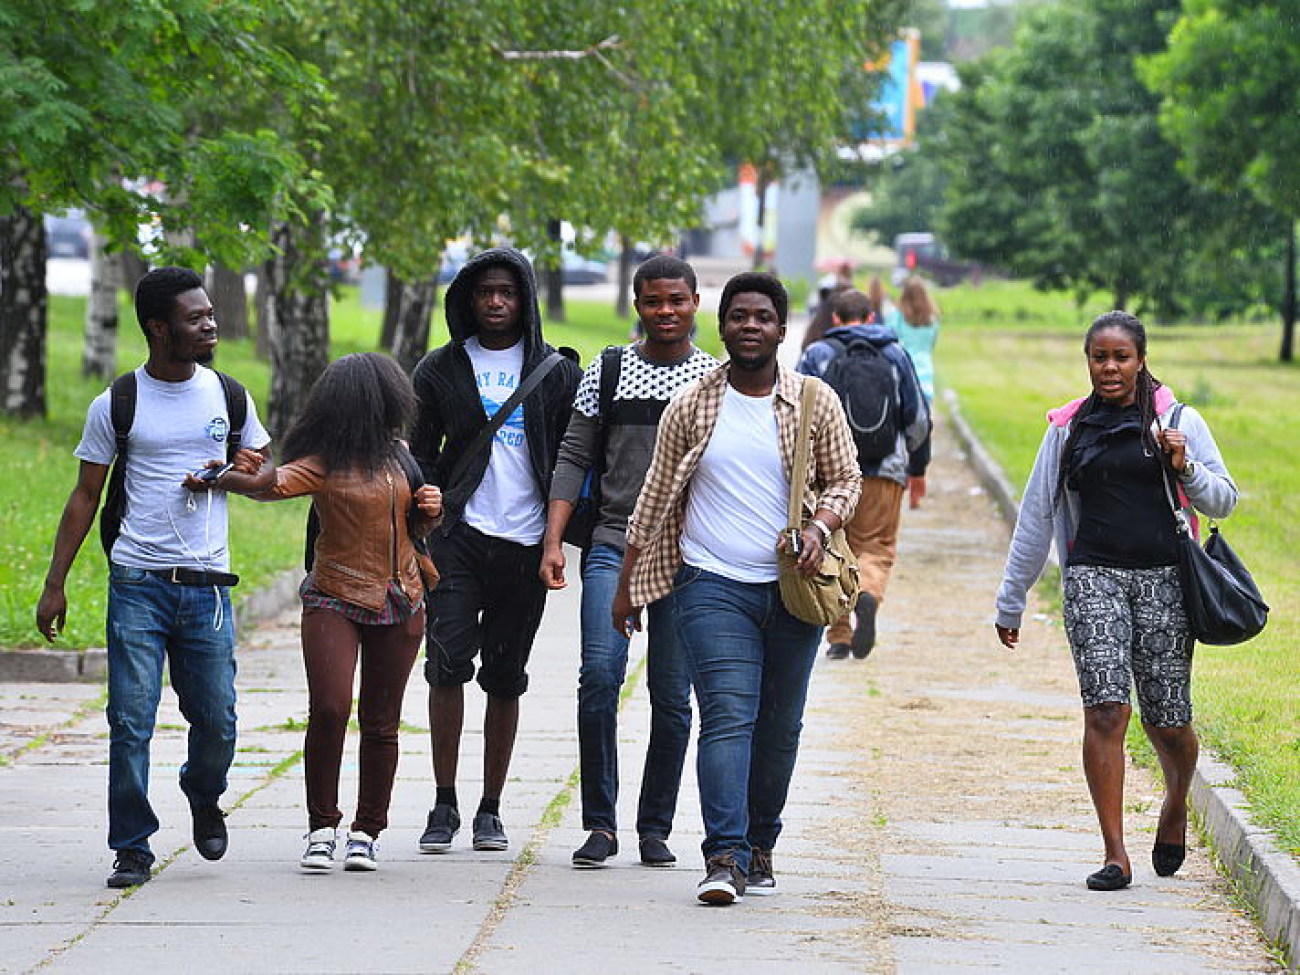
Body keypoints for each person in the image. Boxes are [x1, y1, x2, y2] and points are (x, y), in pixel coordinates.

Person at [612, 272, 860, 905]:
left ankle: (760, 844)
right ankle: (723, 855)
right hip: (709, 583)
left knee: (780, 726)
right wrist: (627, 583)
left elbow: (847, 481)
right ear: (720, 326)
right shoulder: (693, 405)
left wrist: (819, 526)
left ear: (781, 329)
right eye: (738, 316)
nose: (750, 326)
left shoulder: (814, 401)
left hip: (794, 589)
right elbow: (655, 496)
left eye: (763, 317)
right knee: (727, 716)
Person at [35, 266, 272, 889]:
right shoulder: (117, 402)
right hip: (137, 581)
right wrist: (54, 583)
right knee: (131, 719)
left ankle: (201, 790)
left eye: (210, 314)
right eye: (197, 318)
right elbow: (86, 496)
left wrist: (232, 471)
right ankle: (132, 846)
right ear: (157, 328)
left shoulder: (229, 395)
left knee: (218, 720)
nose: (211, 324)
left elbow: (262, 469)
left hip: (208, 588)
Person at [994, 311, 1238, 891]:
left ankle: (1176, 800)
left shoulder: (1177, 421)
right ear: (1088, 362)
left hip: (1165, 582)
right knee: (1106, 709)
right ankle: (1114, 853)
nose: (1110, 367)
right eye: (1099, 357)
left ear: (1141, 360)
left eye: (1121, 357)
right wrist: (1012, 599)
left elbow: (1225, 500)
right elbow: (1035, 516)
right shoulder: (1066, 429)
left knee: (1169, 722)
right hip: (1092, 579)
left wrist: (1187, 467)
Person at [540, 255, 717, 869]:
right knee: (598, 678)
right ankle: (599, 823)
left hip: (688, 558)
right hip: (613, 544)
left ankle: (654, 827)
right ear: (637, 305)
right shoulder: (608, 370)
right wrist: (553, 540)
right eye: (653, 301)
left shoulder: (712, 381)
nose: (665, 312)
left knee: (673, 697)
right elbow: (574, 453)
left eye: (677, 300)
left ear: (696, 302)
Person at [410, 247, 581, 854]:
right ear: (467, 298)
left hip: (526, 543)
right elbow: (418, 451)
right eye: (485, 291)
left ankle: (490, 808)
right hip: (458, 539)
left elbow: (571, 457)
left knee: (506, 677)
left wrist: (557, 540)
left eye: (508, 292)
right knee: (445, 667)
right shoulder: (440, 369)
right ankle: (444, 803)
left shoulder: (555, 372)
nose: (496, 302)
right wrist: (426, 495)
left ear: (525, 297)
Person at [249, 353, 443, 872]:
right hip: (333, 594)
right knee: (331, 708)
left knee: (381, 722)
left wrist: (430, 511)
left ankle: (367, 831)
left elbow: (413, 529)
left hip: (400, 598)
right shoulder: (324, 459)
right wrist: (244, 472)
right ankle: (321, 826)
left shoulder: (400, 457)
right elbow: (276, 484)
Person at [796, 289, 931, 660]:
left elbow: (793, 415)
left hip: (828, 476)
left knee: (831, 549)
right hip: (884, 470)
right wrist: (915, 465)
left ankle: (839, 636)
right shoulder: (895, 354)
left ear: (835, 319)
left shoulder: (817, 355)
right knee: (876, 547)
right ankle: (867, 594)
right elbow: (917, 419)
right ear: (872, 318)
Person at [895, 276, 940, 410]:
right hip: (925, 373)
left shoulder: (897, 317)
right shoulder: (933, 319)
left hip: (902, 372)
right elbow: (931, 345)